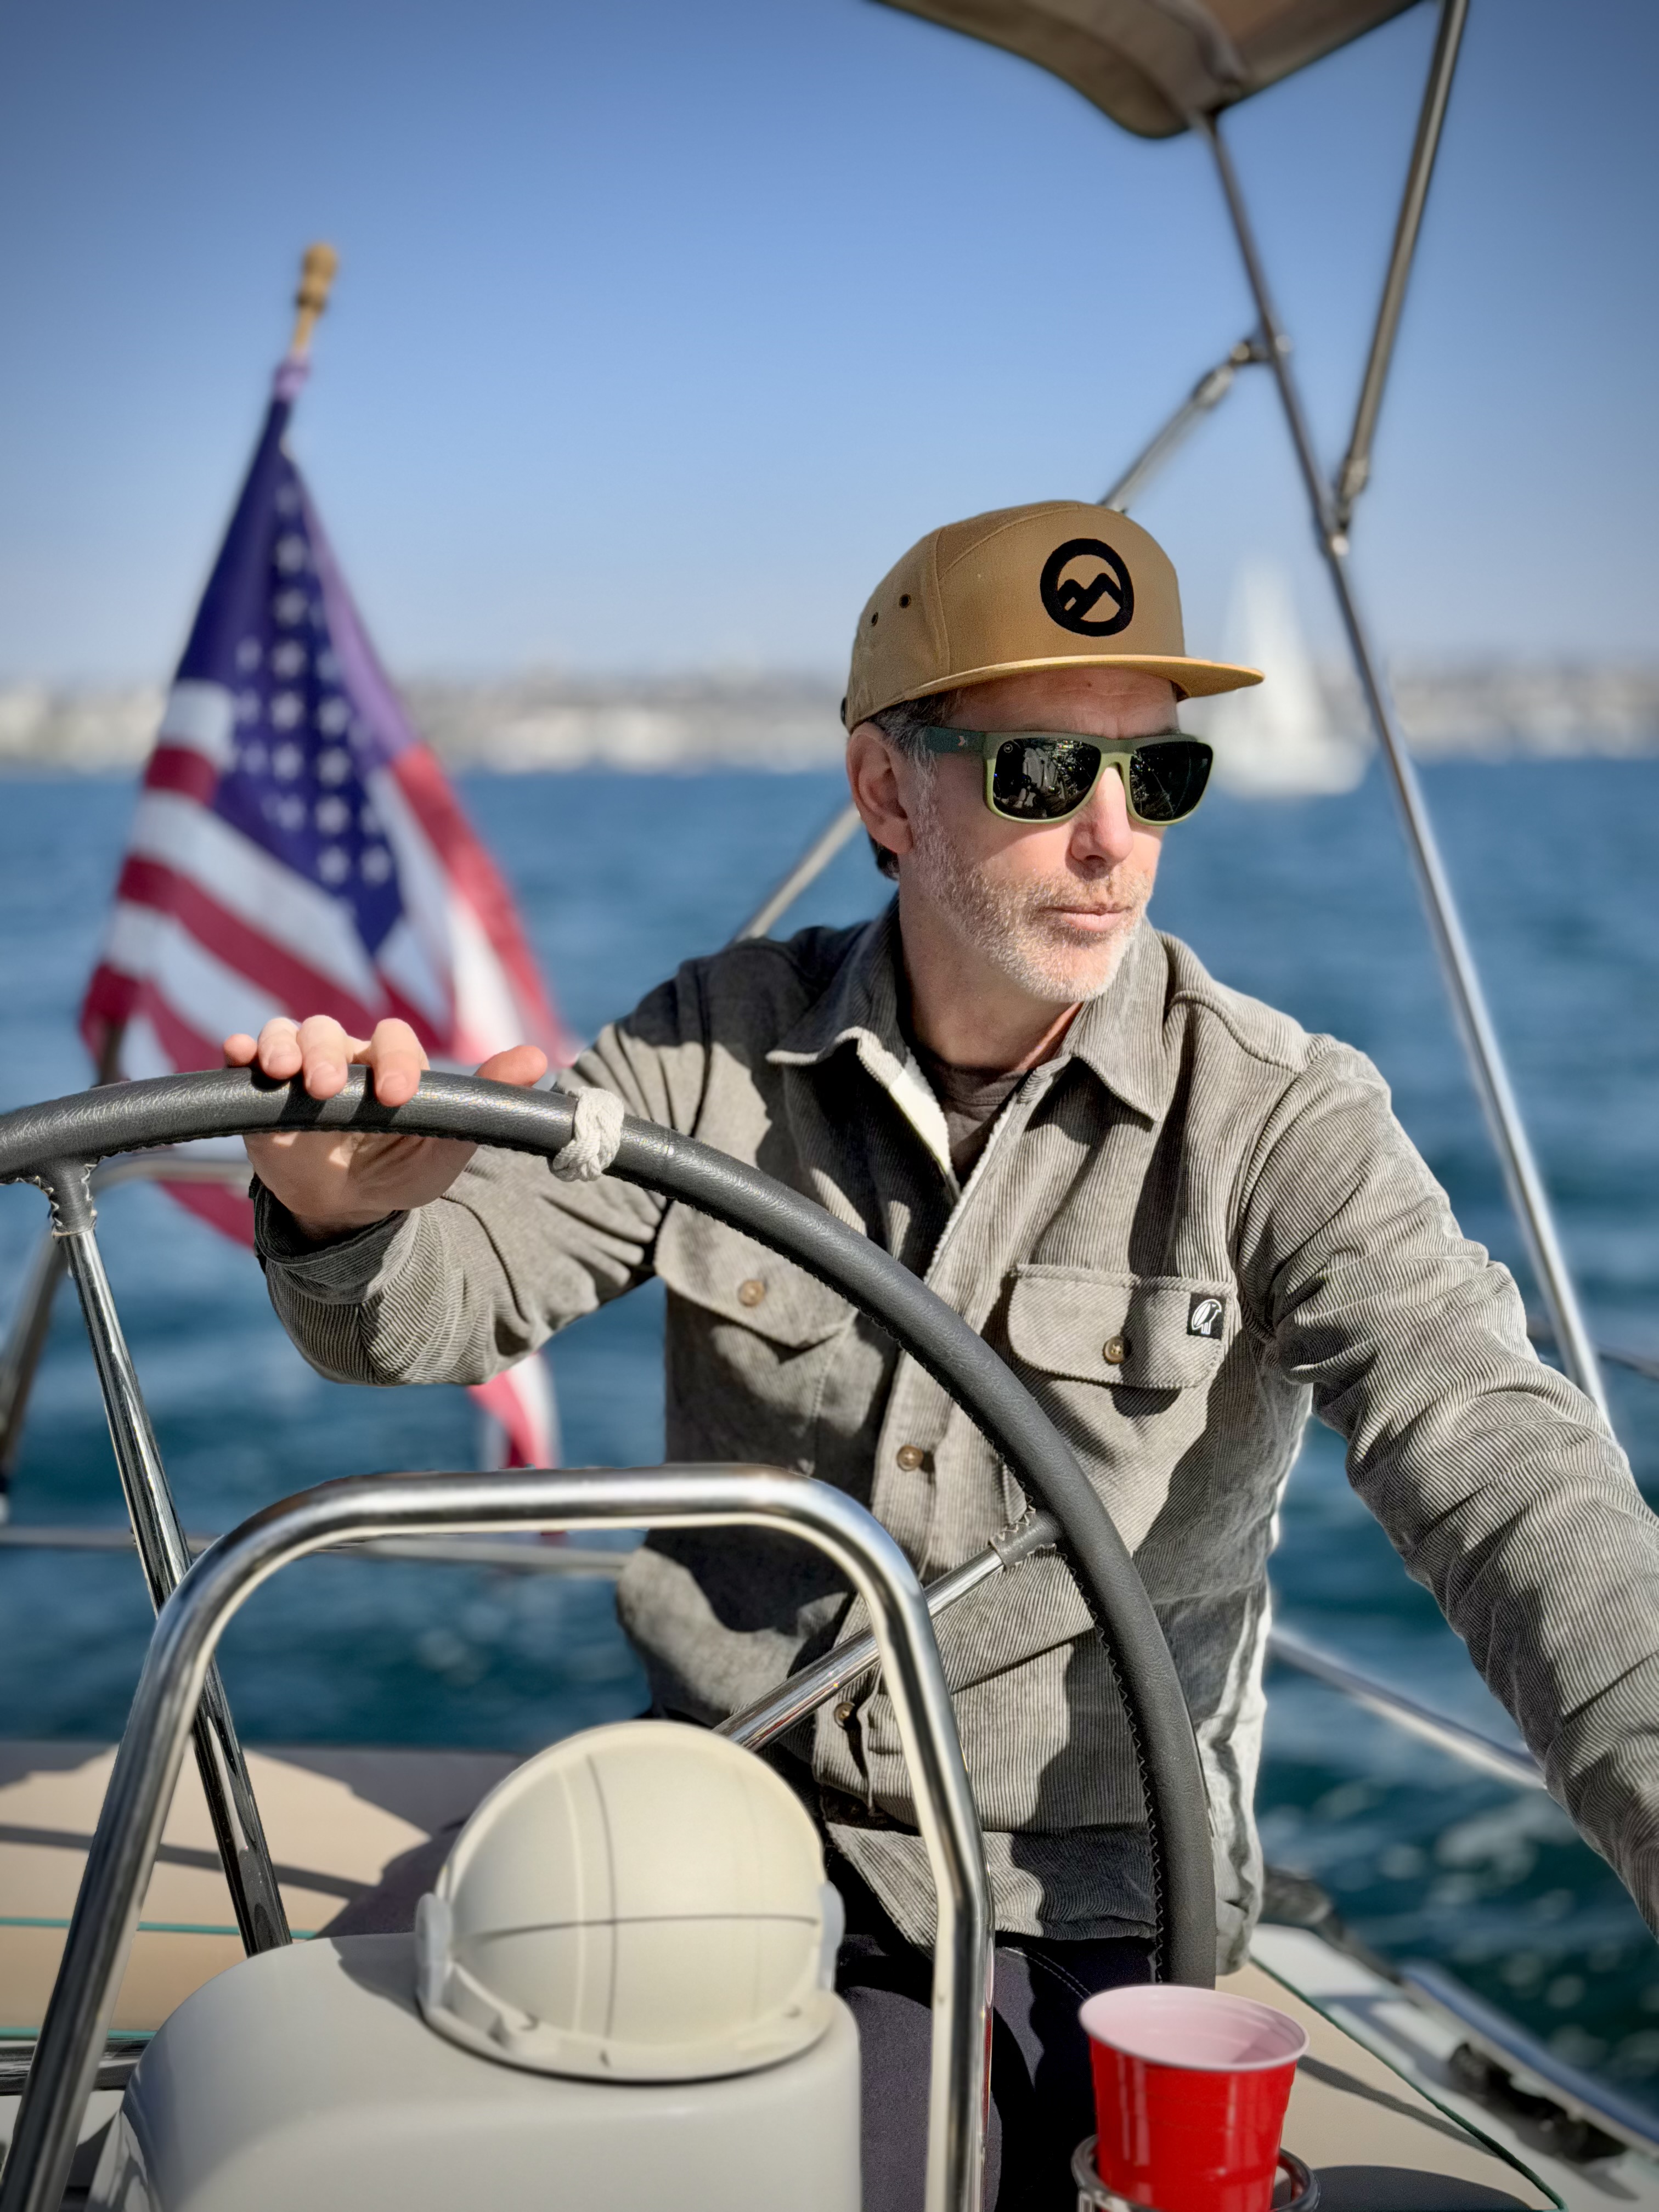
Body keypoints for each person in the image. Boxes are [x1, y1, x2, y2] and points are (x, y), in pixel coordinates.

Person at [229, 500, 1659, 2211]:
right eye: (1046, 775)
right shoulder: (712, 1053)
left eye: (1161, 777)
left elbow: (1506, 1472)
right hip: (718, 1822)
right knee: (328, 2106)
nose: (1114, 840)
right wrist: (340, 1219)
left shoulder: (1284, 1126)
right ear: (887, 795)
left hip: (1083, 1900)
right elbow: (451, 1301)